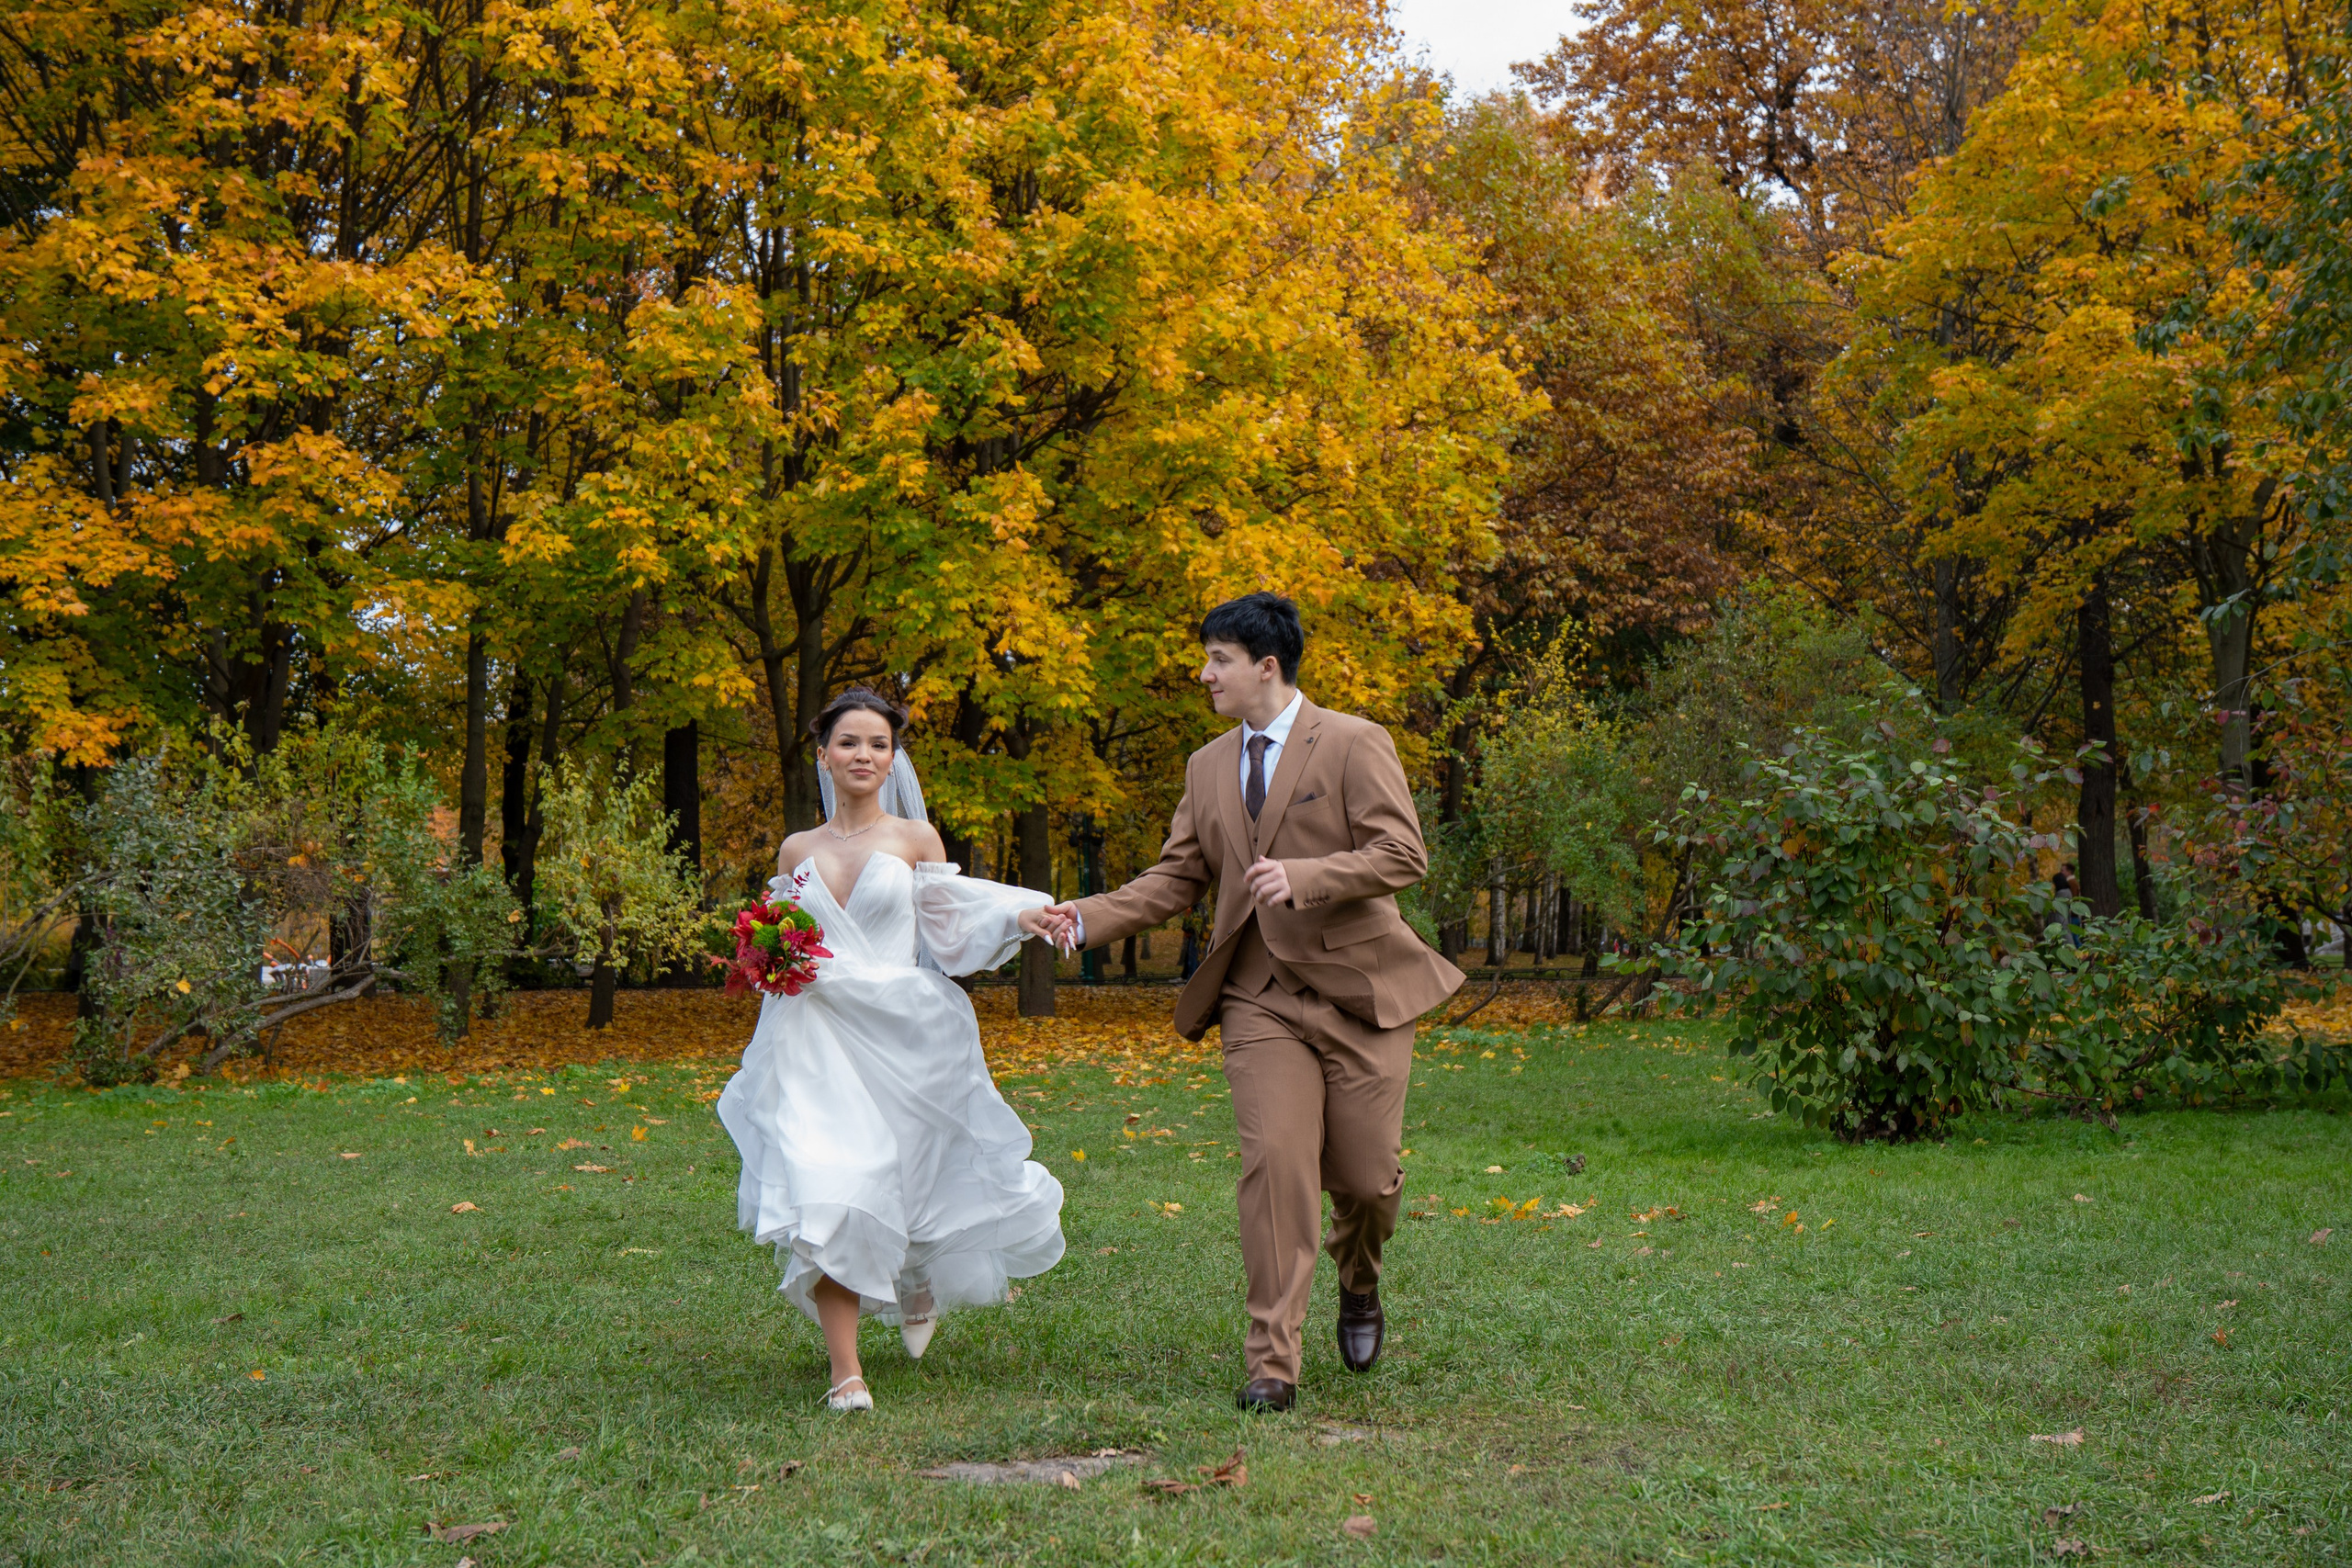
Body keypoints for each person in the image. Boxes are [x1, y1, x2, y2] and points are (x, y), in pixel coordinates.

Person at [1038, 592, 1463, 1412]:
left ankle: (1359, 1274)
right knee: (1275, 1167)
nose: (1205, 674)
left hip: (1359, 991)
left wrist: (1307, 876)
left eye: (1218, 659)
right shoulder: (1206, 766)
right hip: (1256, 997)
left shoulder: (1354, 741)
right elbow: (1176, 877)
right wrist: (1086, 917)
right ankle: (1274, 1361)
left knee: (1367, 1179)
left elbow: (1402, 853)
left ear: (1267, 666)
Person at [716, 688, 1069, 1413]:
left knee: (907, 1181)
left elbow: (951, 925)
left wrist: (1020, 915)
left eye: (878, 744)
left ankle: (915, 1274)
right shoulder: (796, 850)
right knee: (834, 1186)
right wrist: (766, 956)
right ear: (823, 754)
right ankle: (846, 1372)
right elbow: (778, 933)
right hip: (815, 1035)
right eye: (849, 742)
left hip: (906, 1033)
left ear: (892, 758)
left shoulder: (916, 839)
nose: (864, 755)